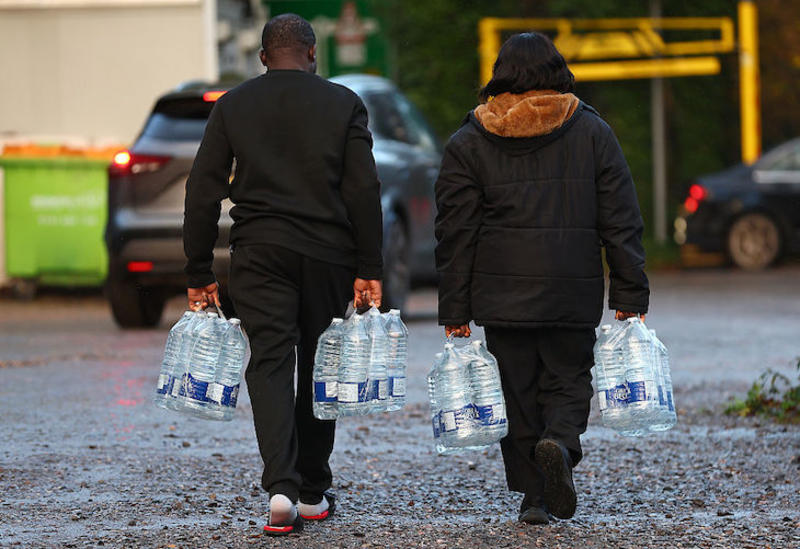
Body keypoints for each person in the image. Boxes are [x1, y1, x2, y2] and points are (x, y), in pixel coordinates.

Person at [434, 32, 649, 524]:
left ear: (500, 73)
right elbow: (621, 217)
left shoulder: (469, 141)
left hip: (500, 292)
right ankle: (562, 444)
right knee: (569, 378)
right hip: (572, 287)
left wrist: (455, 309)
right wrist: (630, 289)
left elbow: (454, 233)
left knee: (517, 390)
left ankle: (534, 495)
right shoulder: (592, 131)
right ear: (558, 71)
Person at [182, 13, 383, 536]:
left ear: (263, 57)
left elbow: (203, 190)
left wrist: (198, 269)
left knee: (271, 362)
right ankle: (314, 491)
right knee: (321, 364)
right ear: (313, 54)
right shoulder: (344, 104)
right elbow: (363, 190)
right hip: (327, 254)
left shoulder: (233, 105)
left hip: (260, 251)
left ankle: (281, 491)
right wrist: (370, 267)